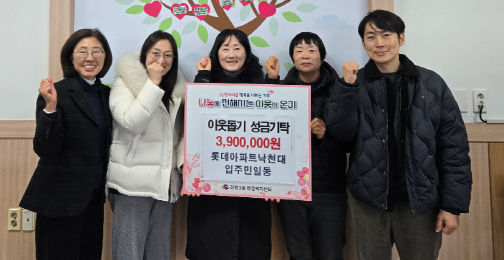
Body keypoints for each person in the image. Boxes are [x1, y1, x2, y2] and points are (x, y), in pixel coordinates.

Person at [325, 10, 472, 260]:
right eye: (371, 37)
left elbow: (454, 147)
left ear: (401, 38)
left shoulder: (431, 83)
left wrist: (452, 205)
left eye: (386, 35)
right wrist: (346, 89)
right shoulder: (354, 83)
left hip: (421, 200)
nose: (379, 43)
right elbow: (340, 136)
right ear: (363, 43)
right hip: (368, 200)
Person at [20, 28, 113, 260]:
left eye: (97, 51)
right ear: (70, 57)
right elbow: (45, 149)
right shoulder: (56, 92)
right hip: (59, 198)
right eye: (82, 51)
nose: (90, 58)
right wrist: (50, 108)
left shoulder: (107, 94)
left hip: (94, 197)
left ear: (105, 56)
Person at [185, 28, 271, 260]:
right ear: (216, 53)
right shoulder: (204, 81)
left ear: (246, 52)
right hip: (211, 187)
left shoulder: (261, 85)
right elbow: (190, 125)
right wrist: (203, 77)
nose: (231, 54)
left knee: (250, 248)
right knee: (210, 248)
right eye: (225, 48)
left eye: (237, 48)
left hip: (251, 186)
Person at [264, 31, 348, 260]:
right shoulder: (283, 88)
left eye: (312, 50)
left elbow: (350, 139)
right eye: (299, 51)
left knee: (331, 253)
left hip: (328, 189)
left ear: (322, 55)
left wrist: (325, 135)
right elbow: (266, 126)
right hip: (291, 189)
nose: (305, 55)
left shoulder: (339, 90)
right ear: (293, 57)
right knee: (298, 253)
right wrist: (271, 80)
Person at [106, 30, 186, 260]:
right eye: (155, 53)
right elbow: (132, 123)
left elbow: (179, 135)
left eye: (168, 55)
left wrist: (182, 164)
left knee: (158, 254)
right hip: (131, 186)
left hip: (163, 185)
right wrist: (153, 83)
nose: (162, 60)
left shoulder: (176, 92)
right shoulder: (123, 84)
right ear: (144, 55)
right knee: (128, 254)